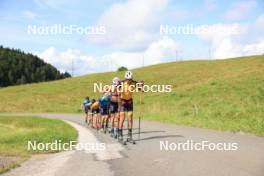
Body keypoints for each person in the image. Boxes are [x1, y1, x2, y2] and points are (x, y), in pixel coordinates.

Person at [118, 71, 143, 142]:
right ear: (125, 79)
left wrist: (141, 87)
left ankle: (129, 136)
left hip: (129, 101)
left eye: (130, 79)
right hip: (123, 101)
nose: (129, 81)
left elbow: (141, 90)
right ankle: (120, 135)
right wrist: (119, 92)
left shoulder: (134, 83)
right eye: (127, 79)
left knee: (130, 117)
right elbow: (118, 92)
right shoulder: (122, 83)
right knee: (122, 117)